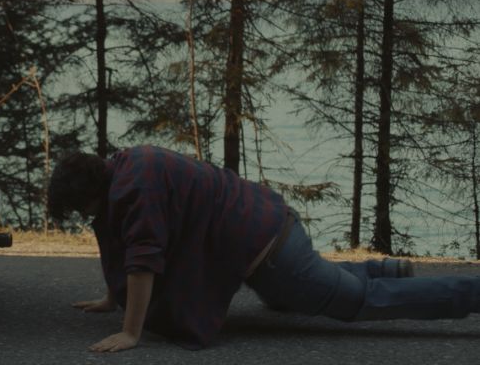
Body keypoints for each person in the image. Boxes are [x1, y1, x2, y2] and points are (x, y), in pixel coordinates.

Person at [47, 145, 480, 352]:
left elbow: (142, 260)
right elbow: (120, 240)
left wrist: (131, 330)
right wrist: (111, 296)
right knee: (284, 298)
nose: (86, 216)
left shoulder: (132, 190)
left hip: (272, 253)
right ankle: (384, 268)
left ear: (91, 191)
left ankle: (471, 293)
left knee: (359, 303)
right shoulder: (126, 163)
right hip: (270, 229)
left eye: (80, 208)